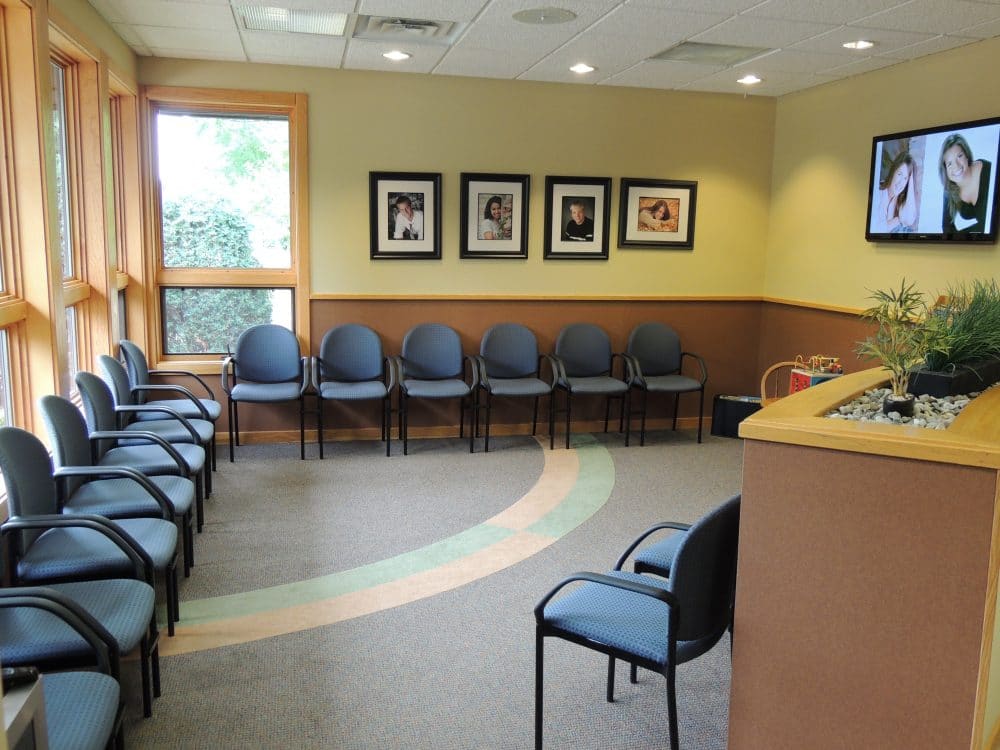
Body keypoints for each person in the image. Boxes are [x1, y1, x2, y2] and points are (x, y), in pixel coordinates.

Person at [939, 133, 992, 234]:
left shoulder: (988, 171)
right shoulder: (950, 188)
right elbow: (947, 228)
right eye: (949, 164)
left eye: (959, 156)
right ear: (945, 169)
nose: (956, 166)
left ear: (966, 155)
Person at [877, 151, 918, 234]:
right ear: (893, 171)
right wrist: (898, 219)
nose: (901, 183)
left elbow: (909, 219)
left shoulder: (900, 199)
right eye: (899, 174)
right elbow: (877, 229)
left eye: (905, 178)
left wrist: (910, 182)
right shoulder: (878, 194)